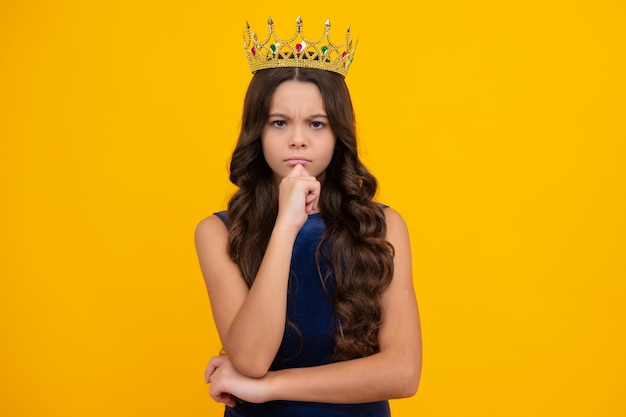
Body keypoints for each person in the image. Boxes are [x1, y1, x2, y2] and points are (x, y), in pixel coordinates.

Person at [194, 16, 422, 417]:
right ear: (257, 132)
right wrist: (286, 225)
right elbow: (251, 358)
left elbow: (403, 372)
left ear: (338, 134)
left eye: (317, 124)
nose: (297, 138)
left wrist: (266, 388)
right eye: (279, 123)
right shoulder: (216, 233)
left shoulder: (384, 227)